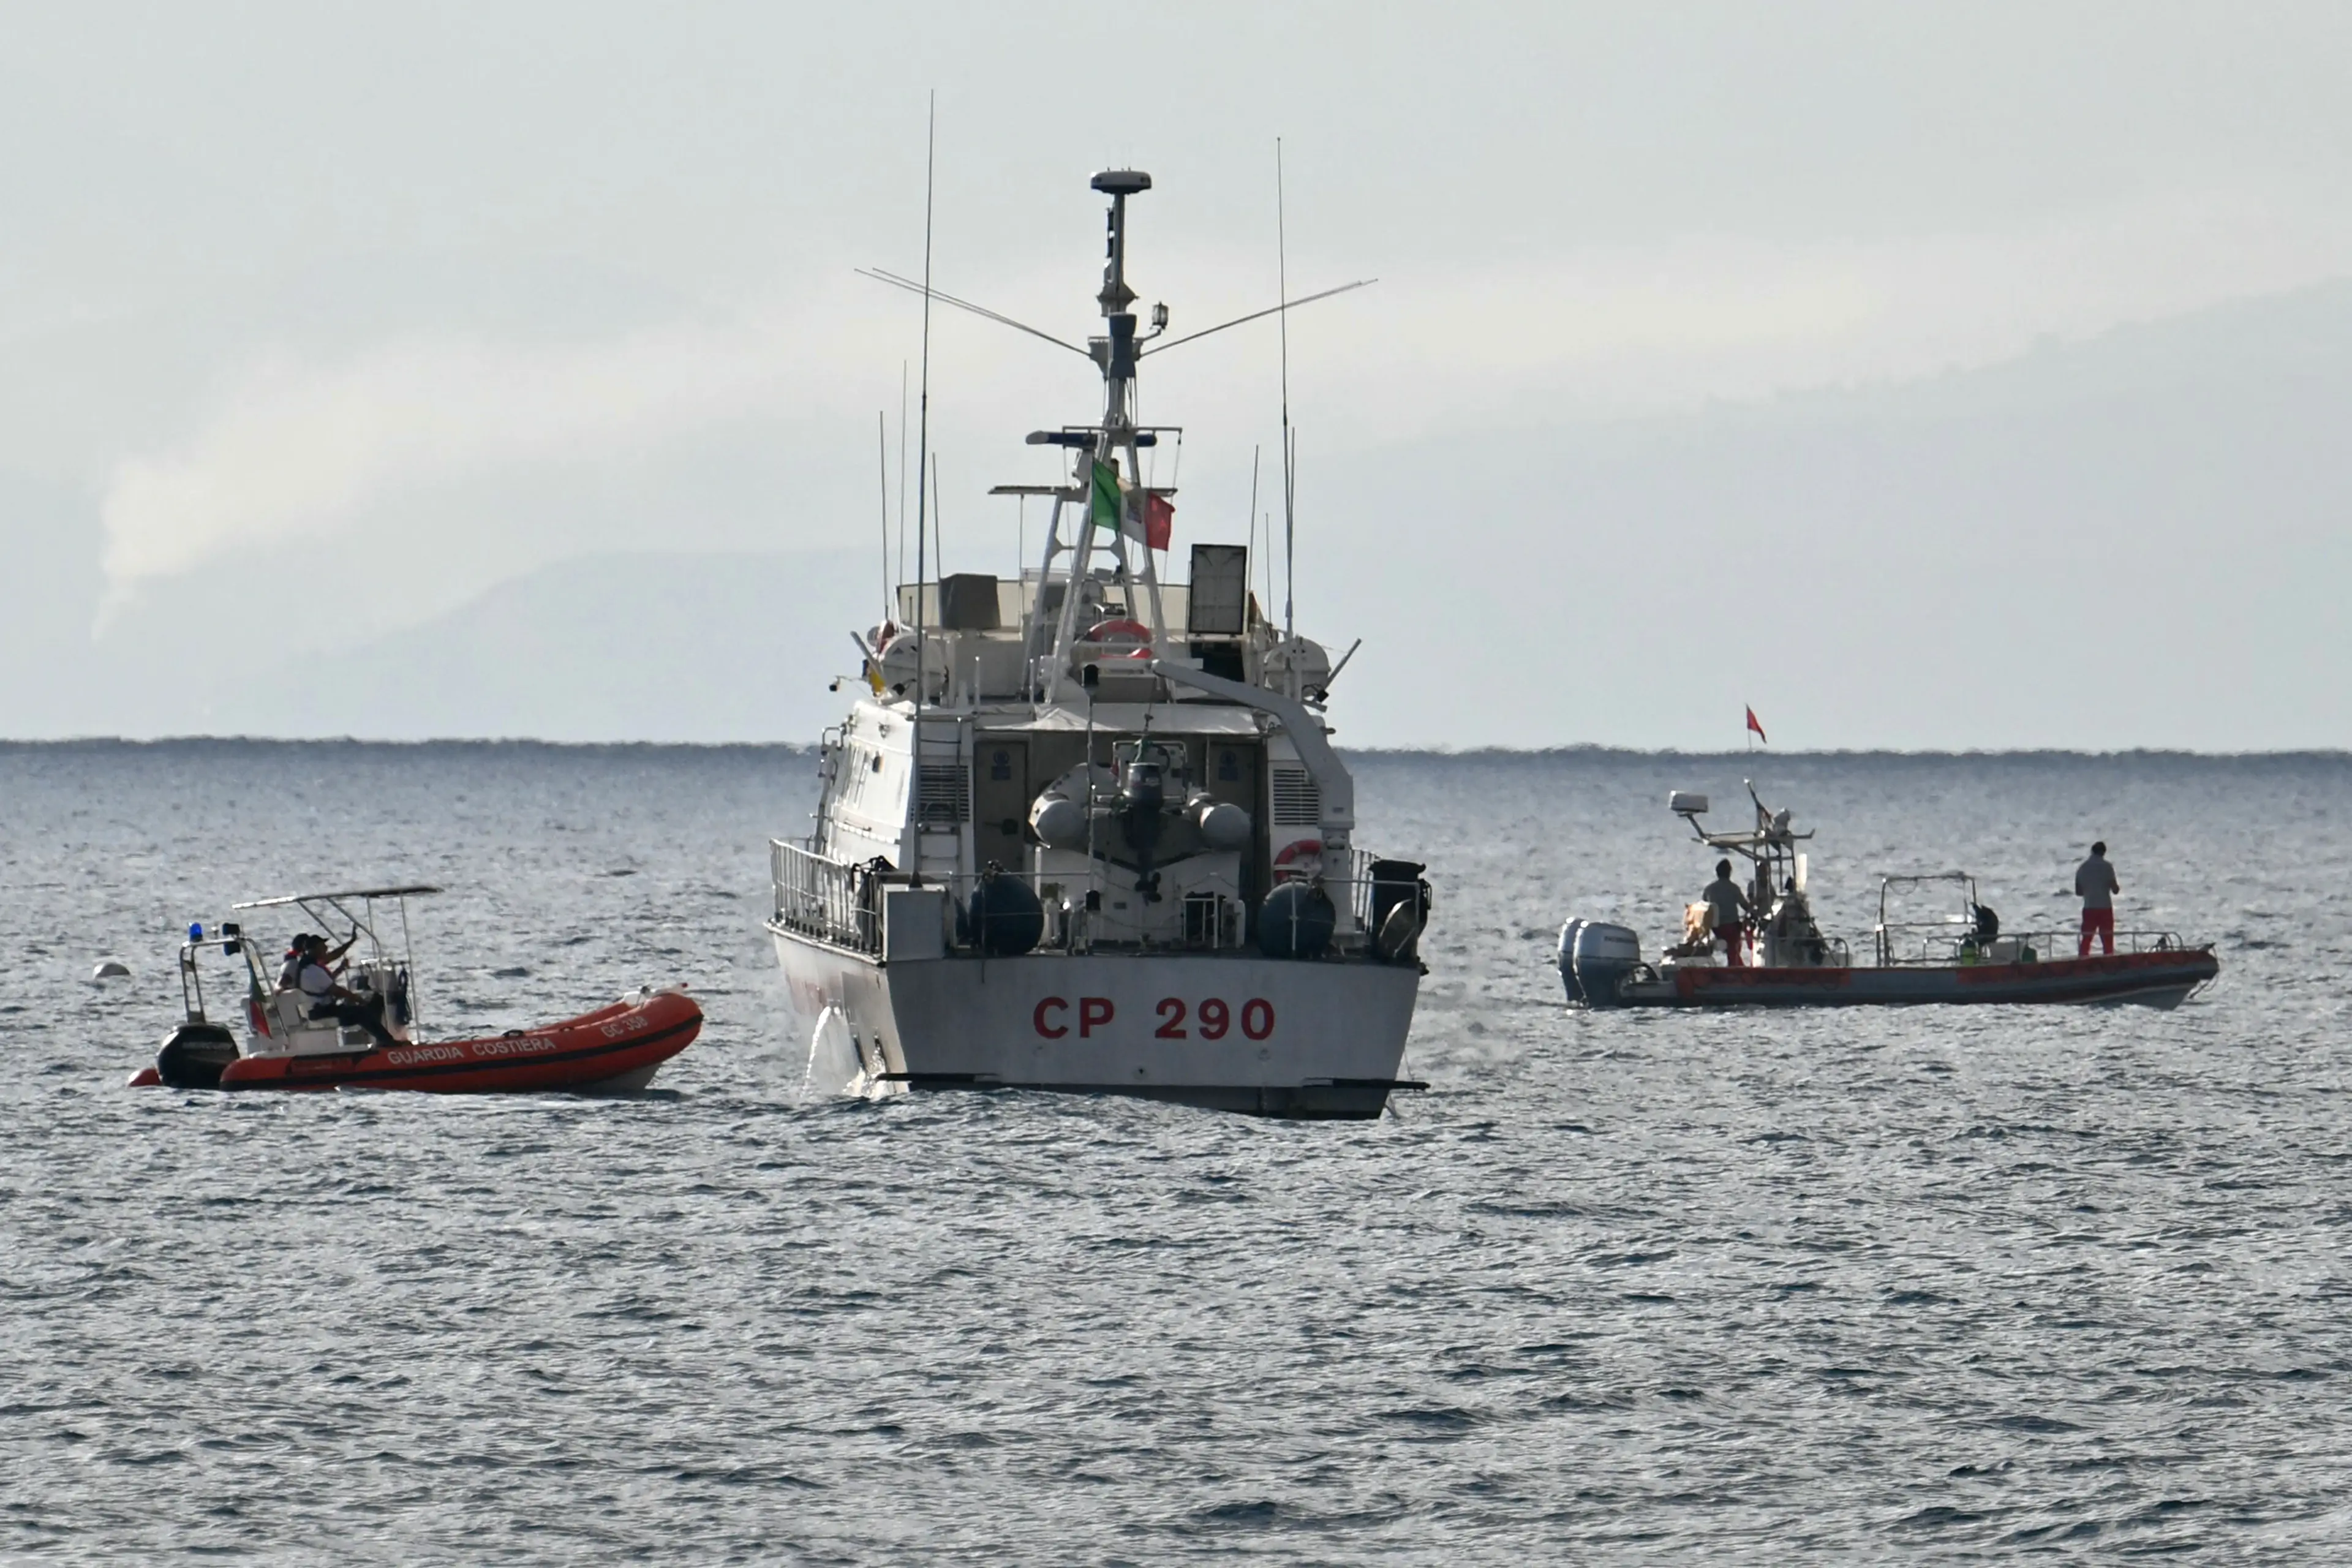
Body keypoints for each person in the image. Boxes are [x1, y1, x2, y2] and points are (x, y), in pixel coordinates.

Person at [291, 933, 397, 1049]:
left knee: (375, 1001)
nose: (326, 949)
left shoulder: (309, 966)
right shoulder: (312, 970)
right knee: (361, 1012)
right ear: (315, 949)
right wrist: (358, 999)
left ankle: (380, 1040)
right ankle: (387, 1042)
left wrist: (351, 942)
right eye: (323, 947)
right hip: (320, 1012)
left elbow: (333, 960)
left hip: (325, 1008)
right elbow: (336, 991)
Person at [1703, 858, 1754, 968]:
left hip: (1716, 929)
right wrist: (1753, 904)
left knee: (1733, 942)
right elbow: (1745, 906)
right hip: (1731, 928)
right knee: (1736, 938)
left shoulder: (1709, 889)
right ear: (1730, 872)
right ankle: (1735, 967)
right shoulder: (1734, 888)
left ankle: (1738, 965)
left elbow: (1704, 906)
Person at [2075, 840, 2120, 957]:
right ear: (2104, 852)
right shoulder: (2107, 867)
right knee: (2107, 940)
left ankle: (2083, 961)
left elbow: (2078, 892)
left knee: (2087, 939)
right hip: (2105, 907)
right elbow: (2115, 890)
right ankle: (2110, 962)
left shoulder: (2082, 868)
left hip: (2089, 907)